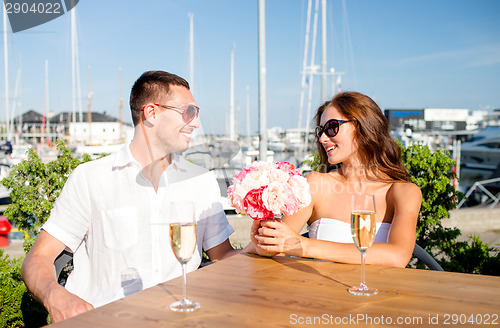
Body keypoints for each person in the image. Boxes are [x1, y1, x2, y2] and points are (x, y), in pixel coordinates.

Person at [21, 71, 238, 322]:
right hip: (104, 321)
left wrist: (260, 243)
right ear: (152, 113)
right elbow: (38, 259)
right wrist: (55, 296)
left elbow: (222, 256)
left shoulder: (200, 181)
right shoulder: (90, 179)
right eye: (189, 112)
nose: (196, 123)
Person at [251, 91, 422, 268]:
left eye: (332, 127)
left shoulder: (403, 192)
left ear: (362, 125)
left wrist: (303, 246)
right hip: (323, 293)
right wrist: (261, 237)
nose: (323, 138)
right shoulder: (315, 185)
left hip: (380, 294)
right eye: (321, 131)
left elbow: (397, 257)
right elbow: (275, 245)